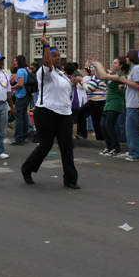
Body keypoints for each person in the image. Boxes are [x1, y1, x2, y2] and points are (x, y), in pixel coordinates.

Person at [20, 39, 79, 189]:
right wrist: (46, 45)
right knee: (45, 145)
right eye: (54, 55)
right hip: (47, 112)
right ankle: (27, 169)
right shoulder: (45, 71)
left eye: (59, 55)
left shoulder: (61, 74)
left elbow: (62, 89)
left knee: (67, 146)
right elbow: (46, 63)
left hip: (65, 113)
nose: (58, 58)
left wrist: (73, 83)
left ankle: (70, 179)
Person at [87, 57, 128, 157]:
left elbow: (104, 75)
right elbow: (101, 76)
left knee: (109, 125)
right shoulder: (113, 74)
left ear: (120, 65)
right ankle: (109, 147)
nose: (113, 64)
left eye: (115, 63)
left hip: (116, 102)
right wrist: (96, 64)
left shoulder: (121, 76)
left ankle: (116, 148)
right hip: (108, 101)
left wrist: (97, 64)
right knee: (103, 125)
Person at [118, 50, 139, 161]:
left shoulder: (137, 69)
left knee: (131, 129)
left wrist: (125, 81)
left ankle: (136, 153)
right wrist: (125, 86)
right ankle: (134, 151)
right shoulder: (135, 69)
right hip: (132, 102)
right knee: (131, 129)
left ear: (130, 58)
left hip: (134, 104)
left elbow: (138, 85)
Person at [76, 65, 107, 141]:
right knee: (97, 120)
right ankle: (100, 138)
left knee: (81, 113)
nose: (92, 71)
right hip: (102, 101)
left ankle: (82, 134)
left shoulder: (96, 78)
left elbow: (89, 89)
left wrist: (81, 82)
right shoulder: (103, 79)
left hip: (95, 101)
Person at [11, 55, 32, 145]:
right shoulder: (25, 70)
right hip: (26, 95)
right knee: (23, 116)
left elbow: (21, 84)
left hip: (21, 96)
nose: (14, 62)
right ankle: (24, 136)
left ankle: (18, 138)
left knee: (19, 117)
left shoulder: (20, 71)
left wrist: (11, 87)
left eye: (15, 61)